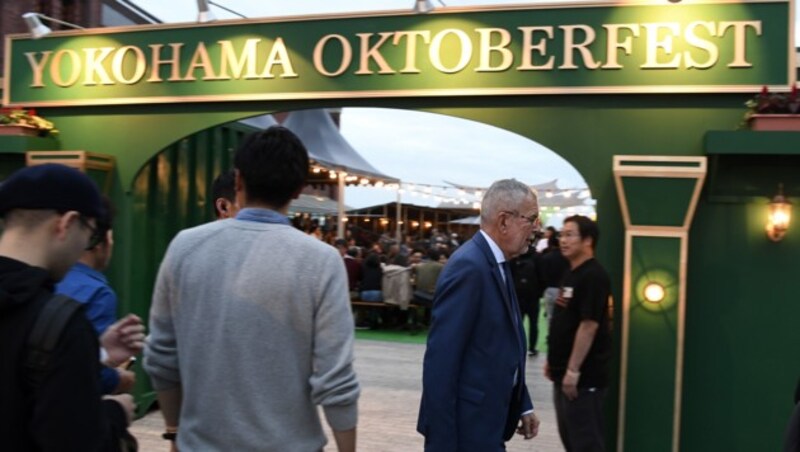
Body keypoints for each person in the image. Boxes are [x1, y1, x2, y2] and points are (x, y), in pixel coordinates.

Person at [144, 126, 360, 451]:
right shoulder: (322, 260)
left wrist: (174, 431)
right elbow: (336, 377)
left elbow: (161, 356)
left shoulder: (185, 247)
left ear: (239, 181)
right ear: (299, 189)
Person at [0, 163, 143, 450]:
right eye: (89, 234)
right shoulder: (61, 323)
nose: (84, 247)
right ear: (66, 223)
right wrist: (115, 414)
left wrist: (96, 353)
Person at [418, 179, 541, 451]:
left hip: (486, 425)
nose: (536, 228)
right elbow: (441, 365)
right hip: (466, 433)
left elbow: (500, 348)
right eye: (531, 219)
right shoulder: (470, 268)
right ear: (504, 221)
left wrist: (522, 403)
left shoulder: (497, 263)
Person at [546, 215, 613, 452]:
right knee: (571, 441)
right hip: (561, 375)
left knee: (586, 443)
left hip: (583, 380)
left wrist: (573, 371)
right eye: (562, 235)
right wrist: (553, 363)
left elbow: (589, 325)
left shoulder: (594, 275)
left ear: (588, 240)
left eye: (570, 235)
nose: (563, 240)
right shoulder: (571, 273)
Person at [56, 197, 136, 395]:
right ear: (101, 241)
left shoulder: (41, 279)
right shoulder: (98, 293)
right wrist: (121, 379)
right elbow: (92, 373)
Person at [510, 243, 545, 357]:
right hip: (533, 297)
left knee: (517, 323)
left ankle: (516, 346)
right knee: (533, 324)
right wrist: (539, 293)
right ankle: (532, 347)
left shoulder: (514, 256)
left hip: (518, 296)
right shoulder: (537, 257)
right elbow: (542, 276)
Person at [540, 235, 570, 319]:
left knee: (550, 314)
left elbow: (543, 275)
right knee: (566, 314)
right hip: (566, 289)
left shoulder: (546, 257)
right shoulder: (568, 257)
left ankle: (552, 331)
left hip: (550, 288)